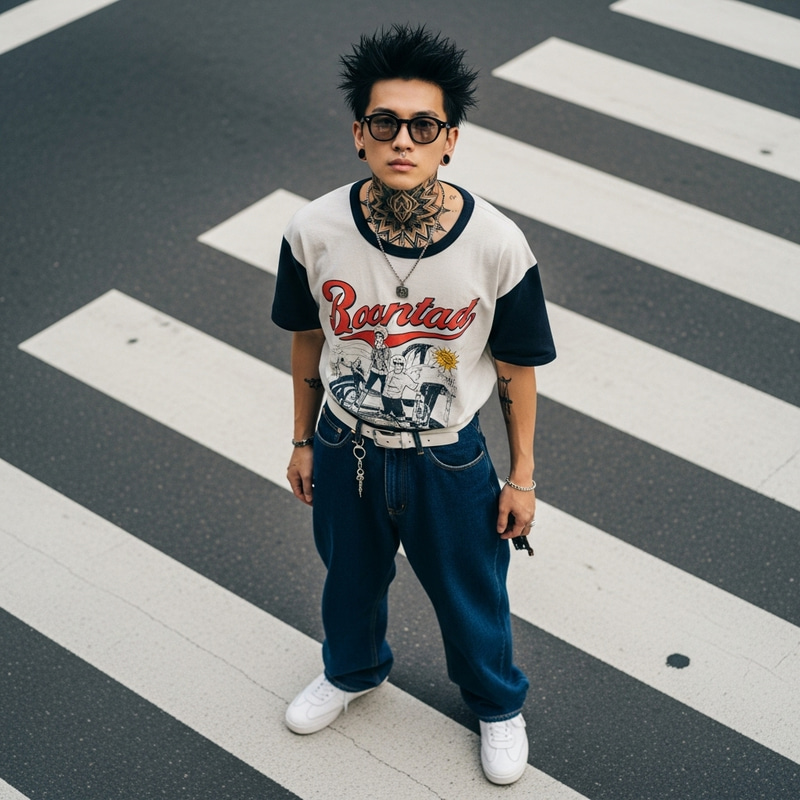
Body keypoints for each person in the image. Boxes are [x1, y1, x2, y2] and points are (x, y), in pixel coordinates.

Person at [271, 24, 555, 786]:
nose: (405, 139)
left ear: (450, 140)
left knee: (472, 594)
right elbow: (306, 339)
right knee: (349, 581)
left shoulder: (497, 243)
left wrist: (521, 478)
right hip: (344, 443)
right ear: (359, 133)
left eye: (423, 125)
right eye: (386, 123)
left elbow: (518, 368)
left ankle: (498, 705)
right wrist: (302, 439)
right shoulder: (313, 230)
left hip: (449, 457)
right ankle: (353, 672)